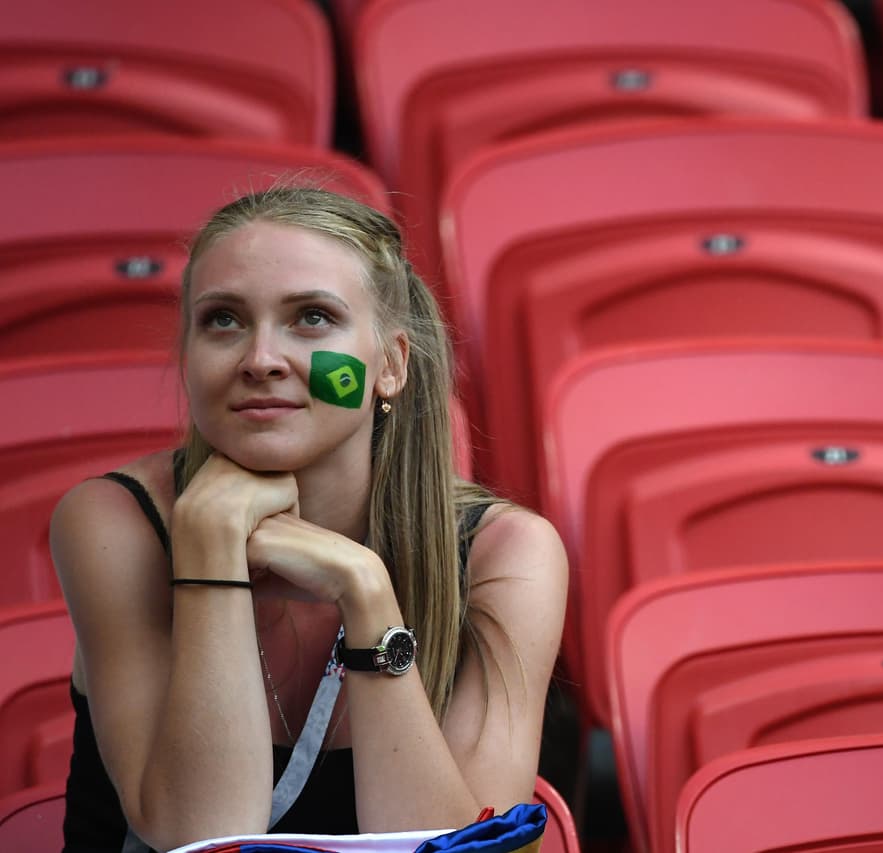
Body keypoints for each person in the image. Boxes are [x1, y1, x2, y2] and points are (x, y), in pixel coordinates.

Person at [50, 186, 568, 853]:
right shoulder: (115, 522)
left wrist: (367, 592)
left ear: (390, 365)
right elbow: (199, 835)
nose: (261, 358)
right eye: (224, 321)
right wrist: (210, 550)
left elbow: (454, 849)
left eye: (312, 318)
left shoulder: (508, 552)